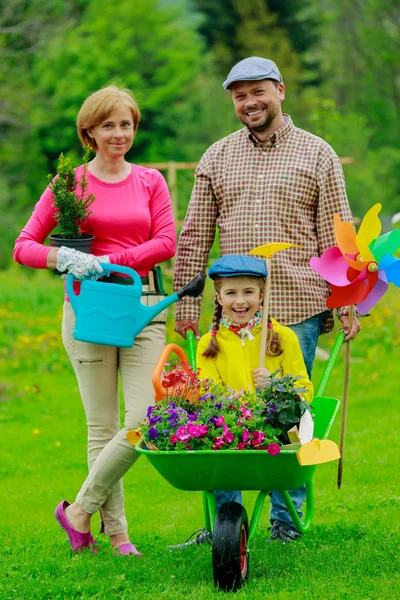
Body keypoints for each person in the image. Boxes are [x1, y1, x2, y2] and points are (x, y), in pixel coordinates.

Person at [173, 56, 361, 541]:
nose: (249, 102)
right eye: (239, 95)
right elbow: (194, 236)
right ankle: (223, 524)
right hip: (229, 309)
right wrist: (188, 306)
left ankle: (285, 520)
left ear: (279, 90)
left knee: (285, 413)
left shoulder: (318, 154)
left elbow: (337, 237)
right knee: (220, 411)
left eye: (257, 91)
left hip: (297, 306)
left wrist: (346, 302)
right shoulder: (216, 156)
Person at [13, 85, 176, 555]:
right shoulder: (69, 185)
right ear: (89, 131)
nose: (119, 134)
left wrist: (112, 263)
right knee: (102, 428)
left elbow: (166, 240)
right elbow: (24, 245)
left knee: (144, 419)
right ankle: (118, 536)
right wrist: (63, 256)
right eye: (108, 125)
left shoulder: (150, 181)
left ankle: (79, 510)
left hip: (142, 305)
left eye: (126, 124)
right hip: (87, 309)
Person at [196, 254, 312, 540]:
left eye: (249, 292)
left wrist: (274, 385)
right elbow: (206, 393)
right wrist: (236, 402)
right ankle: (228, 521)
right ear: (219, 297)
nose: (240, 301)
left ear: (262, 295)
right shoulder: (209, 343)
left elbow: (303, 388)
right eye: (231, 292)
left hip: (276, 426)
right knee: (218, 452)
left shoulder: (283, 337)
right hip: (235, 426)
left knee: (294, 440)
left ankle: (285, 521)